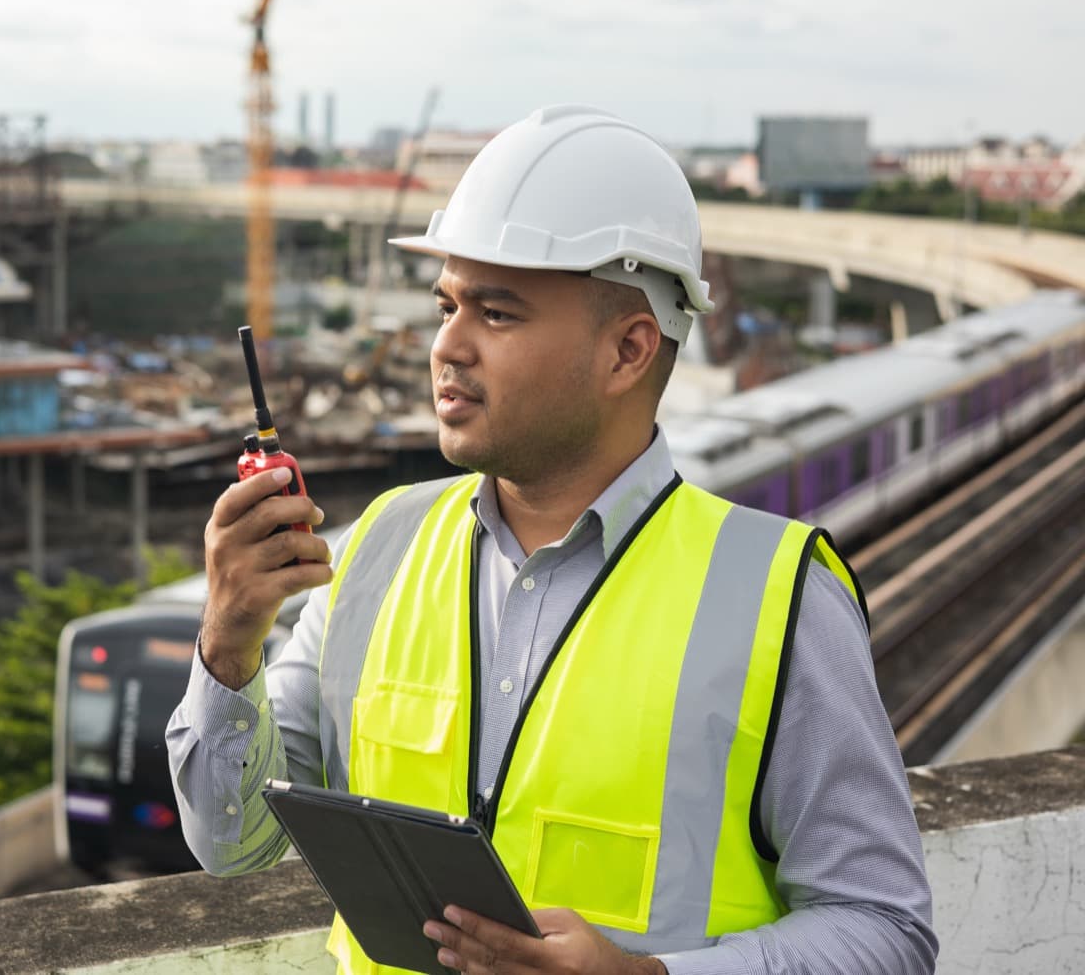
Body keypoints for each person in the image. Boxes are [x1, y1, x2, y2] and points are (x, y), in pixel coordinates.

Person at [167, 105, 936, 975]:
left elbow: (885, 933)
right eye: (447, 304)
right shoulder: (382, 547)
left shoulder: (779, 597)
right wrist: (229, 644)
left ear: (628, 352)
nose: (446, 346)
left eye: (497, 314)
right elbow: (236, 845)